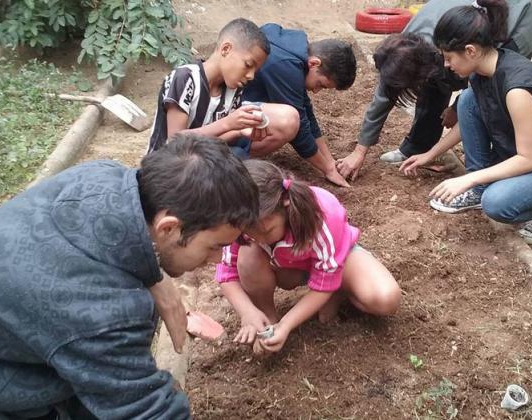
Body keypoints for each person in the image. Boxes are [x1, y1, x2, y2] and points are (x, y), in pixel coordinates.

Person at [0, 134, 260, 418]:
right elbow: (144, 410)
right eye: (214, 247)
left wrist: (159, 280)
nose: (216, 261)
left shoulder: (105, 178)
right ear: (168, 227)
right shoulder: (101, 307)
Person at [426, 0, 532, 244]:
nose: (446, 64)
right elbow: (467, 122)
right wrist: (430, 154)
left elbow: (529, 159)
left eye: (449, 57)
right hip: (525, 156)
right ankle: (482, 187)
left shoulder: (517, 89)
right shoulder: (482, 73)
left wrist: (469, 178)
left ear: (471, 51)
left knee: (496, 204)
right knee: (468, 100)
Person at [337, 0, 532, 181]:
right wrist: (359, 150)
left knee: (496, 94)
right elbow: (383, 96)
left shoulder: (457, 46)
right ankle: (418, 148)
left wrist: (457, 108)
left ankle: (495, 167)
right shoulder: (404, 49)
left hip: (514, 21)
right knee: (433, 87)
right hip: (455, 34)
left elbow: (480, 81)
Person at [214, 160, 401, 354]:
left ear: (285, 205)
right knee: (247, 255)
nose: (258, 238)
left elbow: (325, 277)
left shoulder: (322, 214)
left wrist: (288, 325)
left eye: (266, 231)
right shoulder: (241, 220)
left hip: (335, 261)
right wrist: (248, 312)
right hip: (288, 267)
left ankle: (337, 291)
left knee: (385, 299)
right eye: (248, 233)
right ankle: (267, 319)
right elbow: (226, 273)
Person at [147, 18, 300, 158]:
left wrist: (239, 131)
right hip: (165, 169)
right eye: (248, 65)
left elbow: (210, 139)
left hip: (195, 161)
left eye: (255, 71)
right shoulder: (185, 78)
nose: (251, 76)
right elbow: (174, 141)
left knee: (238, 156)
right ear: (226, 49)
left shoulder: (233, 89)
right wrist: (228, 123)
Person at [242, 23, 357, 187]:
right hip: (220, 113)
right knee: (289, 123)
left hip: (236, 102)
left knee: (294, 116)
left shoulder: (294, 50)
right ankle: (232, 155)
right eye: (321, 84)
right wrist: (328, 170)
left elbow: (306, 111)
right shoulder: (284, 65)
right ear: (314, 63)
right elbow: (300, 131)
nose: (316, 91)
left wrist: (330, 161)